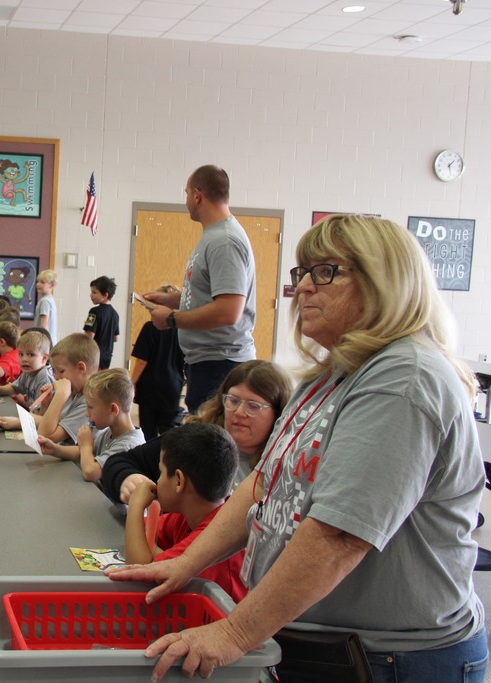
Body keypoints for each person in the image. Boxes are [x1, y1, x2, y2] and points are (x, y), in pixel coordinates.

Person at [109, 215, 487, 683]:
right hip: (319, 643)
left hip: (392, 660)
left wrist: (235, 632)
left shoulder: (402, 378)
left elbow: (339, 536)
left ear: (386, 280)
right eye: (302, 272)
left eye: (326, 271)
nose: (304, 287)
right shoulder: (330, 375)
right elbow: (260, 488)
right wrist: (187, 563)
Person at [142, 165, 256, 413]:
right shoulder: (213, 236)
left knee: (207, 446)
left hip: (220, 364)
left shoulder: (224, 241)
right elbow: (212, 296)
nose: (186, 202)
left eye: (186, 194)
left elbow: (228, 311)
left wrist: (172, 319)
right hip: (207, 362)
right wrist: (172, 300)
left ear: (197, 195)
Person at [101, 359, 293, 505]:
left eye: (253, 406)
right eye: (233, 401)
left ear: (278, 414)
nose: (240, 412)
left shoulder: (286, 468)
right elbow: (119, 462)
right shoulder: (196, 439)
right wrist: (127, 479)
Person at [123, 423, 246, 603]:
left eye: (161, 472)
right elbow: (143, 532)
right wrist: (156, 554)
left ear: (178, 481)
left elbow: (140, 574)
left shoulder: (214, 538)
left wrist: (135, 505)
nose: (157, 481)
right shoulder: (189, 514)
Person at [38, 368, 145, 482]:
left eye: (90, 407)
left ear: (113, 409)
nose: (86, 413)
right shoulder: (110, 432)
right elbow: (85, 454)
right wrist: (55, 449)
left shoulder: (128, 445)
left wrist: (86, 445)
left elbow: (91, 472)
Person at [0, 333, 99, 445]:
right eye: (54, 371)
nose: (56, 377)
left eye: (61, 371)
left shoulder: (87, 402)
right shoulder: (74, 392)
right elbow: (50, 422)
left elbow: (46, 436)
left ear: (81, 368)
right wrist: (16, 422)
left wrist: (60, 396)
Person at [130, 284, 185, 438]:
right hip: (173, 385)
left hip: (150, 386)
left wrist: (132, 382)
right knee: (169, 430)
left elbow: (142, 360)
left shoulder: (149, 328)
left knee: (148, 431)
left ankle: (150, 460)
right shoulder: (182, 329)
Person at [0, 329, 53, 410]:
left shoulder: (44, 378)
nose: (24, 359)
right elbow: (14, 388)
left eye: (31, 354)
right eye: (21, 354)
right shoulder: (28, 372)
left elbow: (42, 413)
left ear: (44, 358)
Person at [83, 275, 120, 369]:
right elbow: (116, 338)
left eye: (94, 292)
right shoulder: (115, 314)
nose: (91, 295)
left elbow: (89, 336)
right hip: (107, 357)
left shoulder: (94, 312)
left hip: (93, 356)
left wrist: (87, 327)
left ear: (105, 295)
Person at [34, 269, 58, 344]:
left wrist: (40, 342)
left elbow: (44, 323)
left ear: (52, 285)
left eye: (42, 282)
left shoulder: (45, 301)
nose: (38, 284)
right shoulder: (50, 299)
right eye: (37, 282)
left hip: (44, 342)